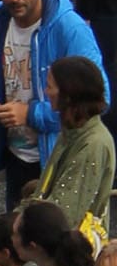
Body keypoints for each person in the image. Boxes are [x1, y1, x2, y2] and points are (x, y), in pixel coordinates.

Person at [0, 0, 106, 205]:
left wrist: (30, 114)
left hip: (59, 159)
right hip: (17, 155)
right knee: (17, 232)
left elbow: (99, 100)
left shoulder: (71, 30)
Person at [35, 62, 117, 235]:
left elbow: (63, 214)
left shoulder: (94, 144)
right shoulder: (70, 133)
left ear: (68, 95)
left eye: (50, 86)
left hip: (70, 254)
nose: (46, 91)